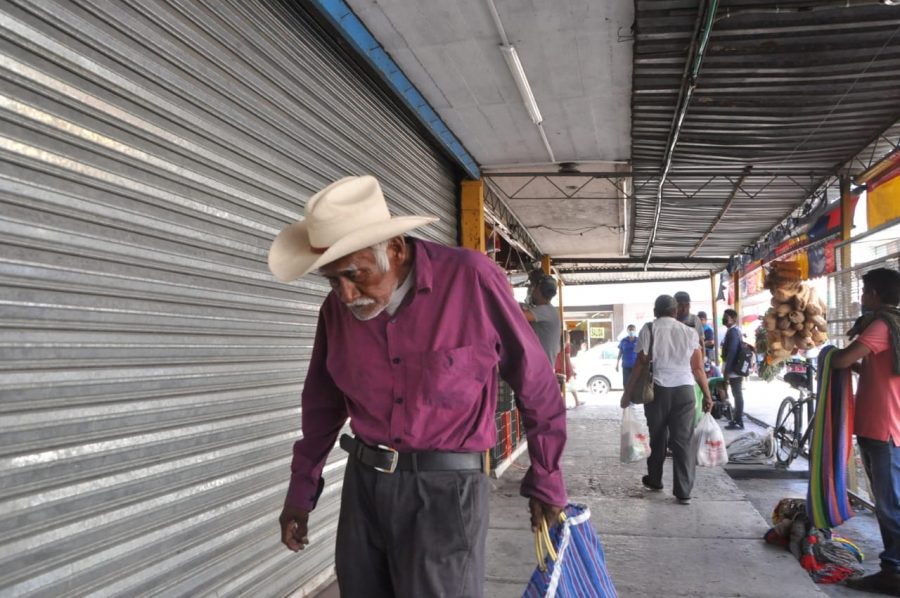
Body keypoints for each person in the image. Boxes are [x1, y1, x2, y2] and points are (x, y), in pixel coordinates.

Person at [268, 175, 567, 597]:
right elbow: (322, 404)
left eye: (354, 274)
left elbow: (535, 381)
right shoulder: (337, 310)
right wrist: (301, 488)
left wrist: (546, 476)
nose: (347, 293)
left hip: (448, 493)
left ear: (393, 248)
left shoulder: (471, 279)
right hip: (366, 488)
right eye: (332, 280)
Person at [830, 268, 900, 596]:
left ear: (873, 293)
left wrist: (830, 356)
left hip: (883, 428)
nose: (861, 297)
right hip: (885, 426)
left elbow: (842, 360)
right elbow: (872, 365)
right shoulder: (892, 324)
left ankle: (893, 571)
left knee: (889, 504)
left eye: (863, 291)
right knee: (888, 501)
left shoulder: (882, 324)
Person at [621, 294, 713, 505]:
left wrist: (628, 393)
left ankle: (654, 480)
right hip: (684, 392)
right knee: (683, 441)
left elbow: (640, 364)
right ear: (675, 311)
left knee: (658, 436)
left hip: (657, 392)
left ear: (655, 312)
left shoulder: (649, 329)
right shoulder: (689, 333)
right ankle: (683, 490)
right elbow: (698, 368)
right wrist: (707, 395)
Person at [522, 274, 562, 367]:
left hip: (540, 371)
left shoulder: (546, 311)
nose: (531, 291)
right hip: (542, 370)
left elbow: (517, 316)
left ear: (539, 290)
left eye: (534, 288)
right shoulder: (551, 311)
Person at [721, 309, 746, 430]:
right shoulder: (733, 331)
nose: (724, 319)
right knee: (736, 394)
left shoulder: (733, 332)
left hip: (734, 368)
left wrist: (727, 371)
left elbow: (731, 352)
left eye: (726, 317)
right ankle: (736, 419)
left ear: (733, 319)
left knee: (737, 394)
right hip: (735, 367)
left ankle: (738, 421)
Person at [556, 330, 582, 407]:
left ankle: (561, 403)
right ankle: (576, 401)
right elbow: (567, 358)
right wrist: (571, 369)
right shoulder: (567, 345)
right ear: (567, 337)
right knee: (570, 383)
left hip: (557, 366)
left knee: (559, 385)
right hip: (564, 366)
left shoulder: (556, 344)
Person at [616, 324, 639, 389]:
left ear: (635, 330)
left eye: (633, 329)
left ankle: (634, 398)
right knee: (626, 383)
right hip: (626, 366)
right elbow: (620, 352)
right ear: (627, 330)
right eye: (630, 329)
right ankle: (627, 397)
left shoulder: (638, 340)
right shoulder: (623, 340)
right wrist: (617, 364)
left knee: (635, 383)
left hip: (636, 366)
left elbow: (641, 353)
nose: (631, 331)